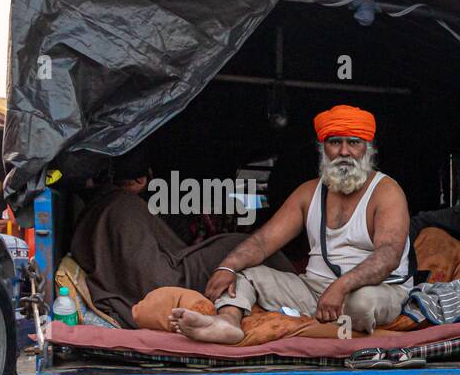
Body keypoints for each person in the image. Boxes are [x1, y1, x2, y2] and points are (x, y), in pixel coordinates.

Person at [171, 105, 411, 343]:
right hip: (315, 290)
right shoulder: (308, 192)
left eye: (354, 143)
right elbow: (264, 242)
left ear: (368, 149)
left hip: (377, 290)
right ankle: (228, 322)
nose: (344, 152)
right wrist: (227, 267)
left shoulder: (386, 191)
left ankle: (324, 326)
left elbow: (388, 256)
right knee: (243, 275)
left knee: (361, 304)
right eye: (335, 142)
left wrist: (341, 287)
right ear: (323, 149)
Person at [68, 146, 290, 328]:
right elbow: (158, 277)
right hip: (172, 280)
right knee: (248, 252)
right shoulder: (121, 208)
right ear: (140, 180)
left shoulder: (106, 208)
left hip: (169, 273)